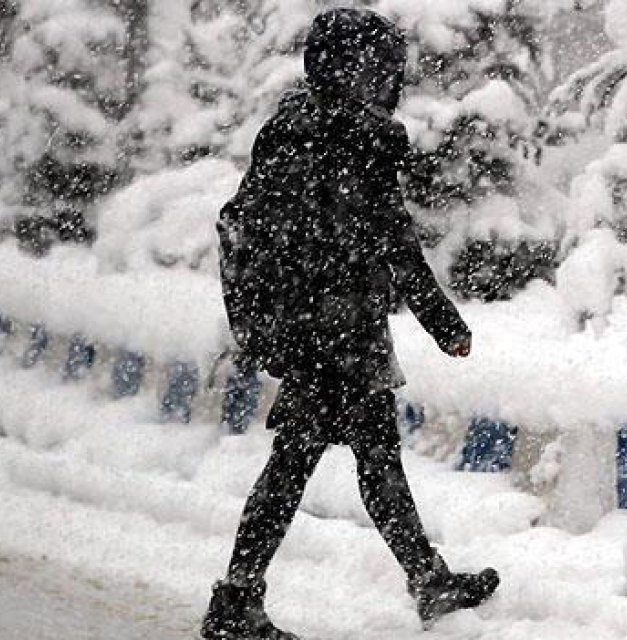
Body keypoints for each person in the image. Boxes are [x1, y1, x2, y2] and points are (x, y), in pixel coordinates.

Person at [203, 8, 498, 639]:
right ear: (346, 69)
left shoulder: (293, 130)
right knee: (313, 463)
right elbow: (392, 241)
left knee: (353, 457)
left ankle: (423, 579)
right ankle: (238, 600)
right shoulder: (352, 140)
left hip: (321, 330)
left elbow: (267, 230)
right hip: (334, 334)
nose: (385, 80)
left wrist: (274, 320)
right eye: (376, 68)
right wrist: (442, 322)